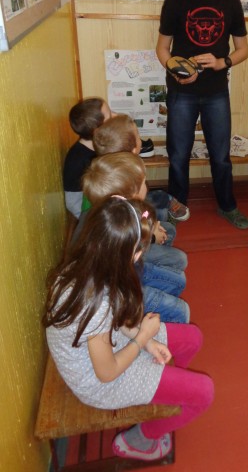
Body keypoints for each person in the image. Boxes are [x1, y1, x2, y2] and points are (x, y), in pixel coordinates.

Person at [43, 197, 214, 462]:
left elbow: (116, 318)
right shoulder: (94, 302)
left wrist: (147, 342)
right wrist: (143, 336)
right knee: (204, 393)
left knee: (193, 337)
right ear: (128, 254)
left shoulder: (91, 265)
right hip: (97, 381)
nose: (141, 255)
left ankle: (167, 392)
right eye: (140, 250)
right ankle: (140, 440)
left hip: (108, 342)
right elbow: (107, 373)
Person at [156, 0, 248, 230]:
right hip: (181, 91)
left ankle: (227, 206)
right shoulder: (175, 1)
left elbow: (243, 50)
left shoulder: (231, 3)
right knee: (178, 156)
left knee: (220, 156)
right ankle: (178, 207)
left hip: (216, 92)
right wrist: (176, 69)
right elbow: (162, 48)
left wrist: (222, 62)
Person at [79, 152, 190, 324]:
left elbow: (144, 214)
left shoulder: (120, 210)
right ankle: (151, 326)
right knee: (181, 310)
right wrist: (151, 236)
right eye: (144, 182)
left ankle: (153, 315)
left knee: (179, 281)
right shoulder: (120, 227)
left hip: (132, 273)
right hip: (123, 291)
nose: (147, 186)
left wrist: (152, 226)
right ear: (132, 193)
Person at [93, 114, 190, 223]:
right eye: (138, 136)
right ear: (134, 149)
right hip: (134, 218)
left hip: (118, 216)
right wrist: (150, 224)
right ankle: (165, 217)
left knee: (159, 199)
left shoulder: (100, 168)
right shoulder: (133, 170)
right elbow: (141, 201)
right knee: (164, 214)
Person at [63, 97, 111, 219]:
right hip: (89, 213)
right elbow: (73, 202)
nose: (114, 118)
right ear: (96, 130)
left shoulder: (97, 146)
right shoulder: (79, 159)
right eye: (110, 117)